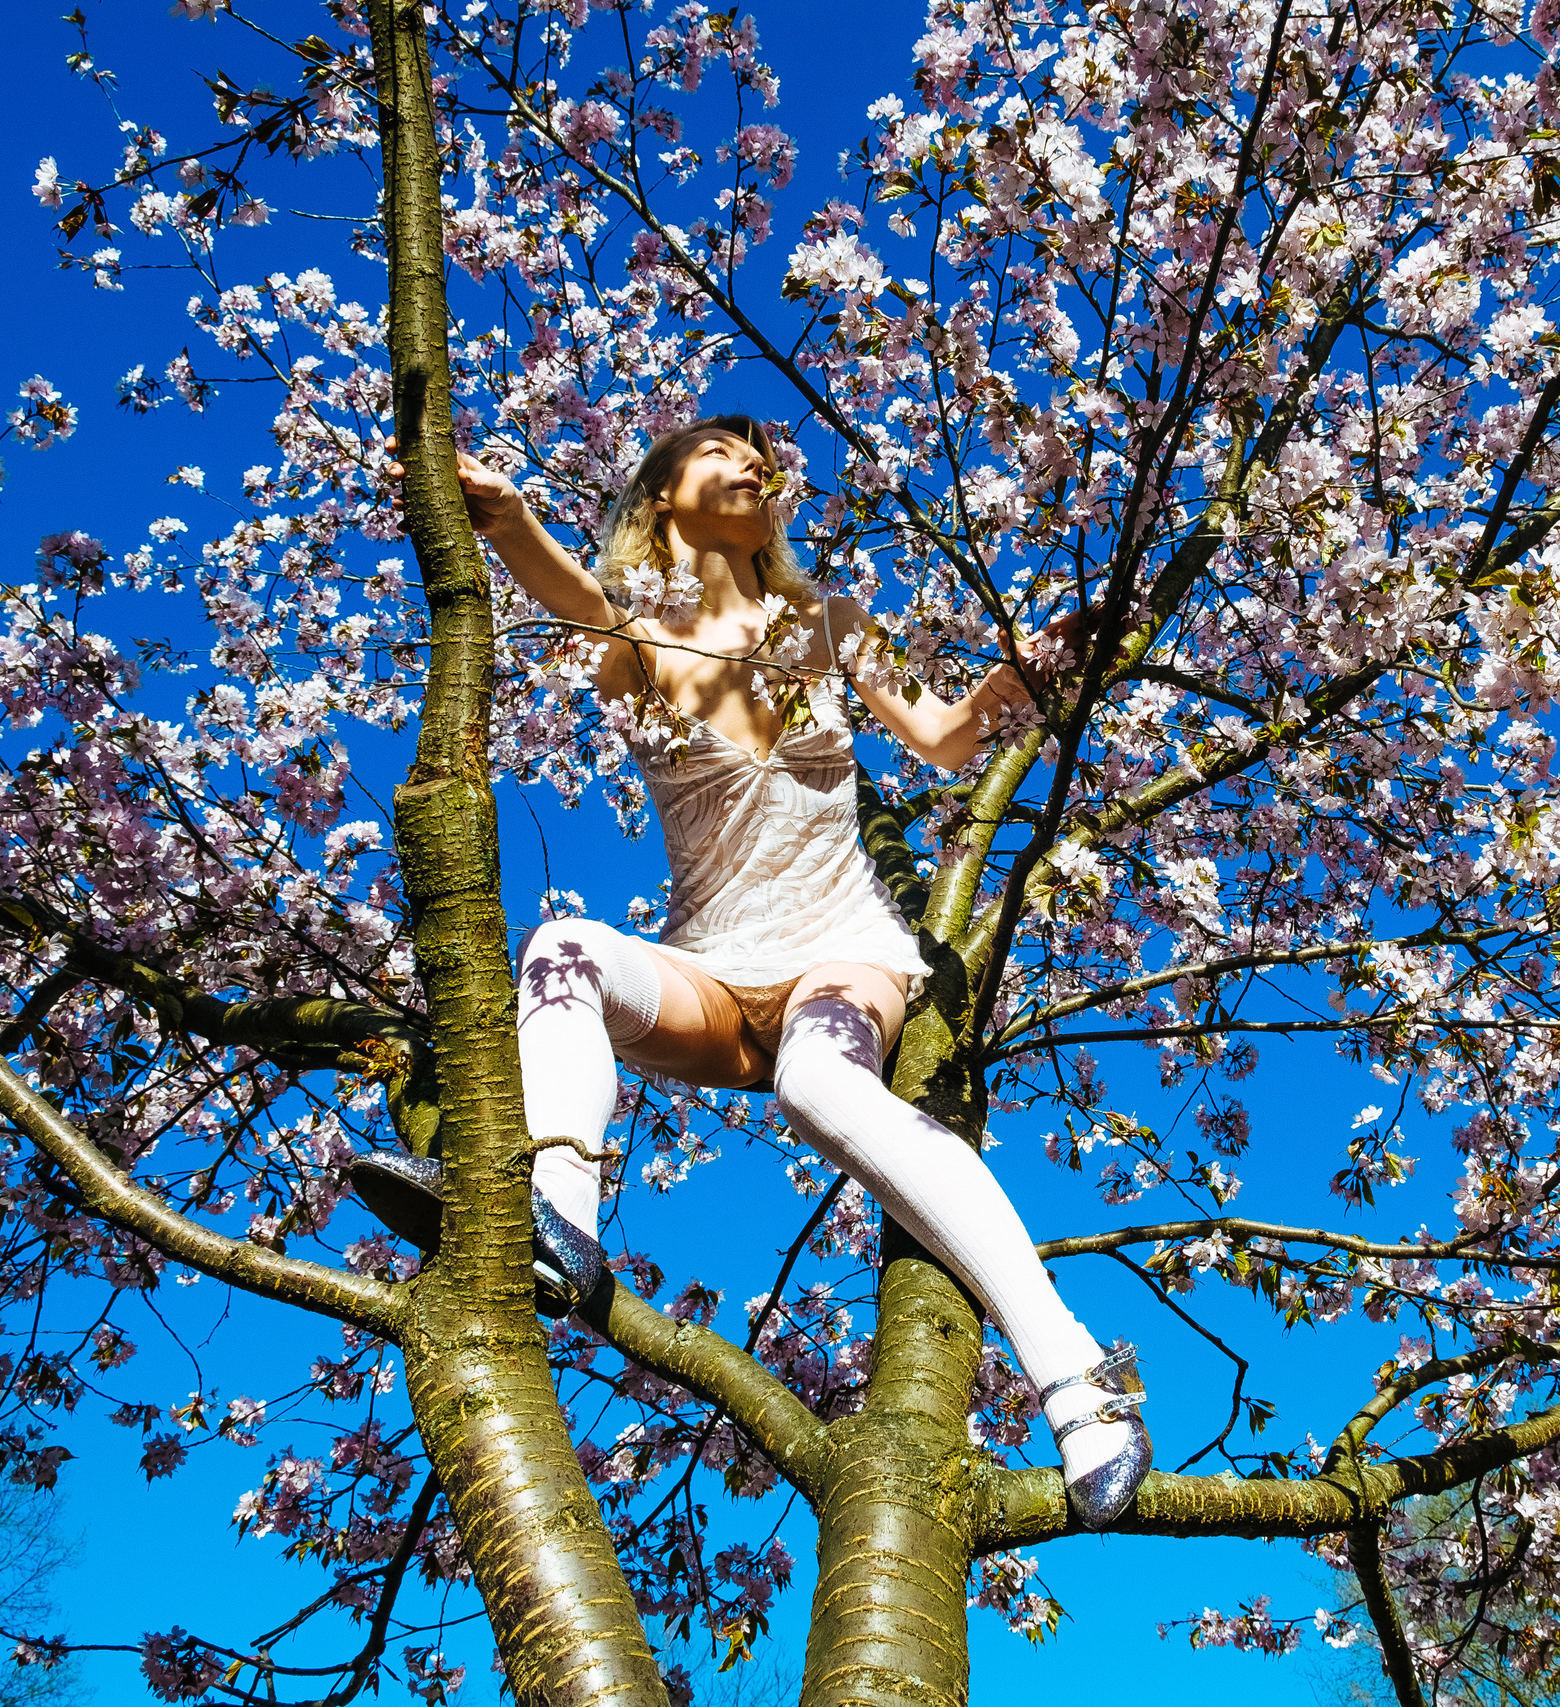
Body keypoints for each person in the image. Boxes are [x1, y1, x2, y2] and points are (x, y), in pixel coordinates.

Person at [346, 414, 1149, 1528]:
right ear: (662, 496)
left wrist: (1048, 660)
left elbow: (950, 740)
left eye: (761, 455)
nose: (749, 462)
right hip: (711, 975)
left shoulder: (832, 622)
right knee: (559, 950)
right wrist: (503, 513)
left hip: (842, 955)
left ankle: (1076, 1378)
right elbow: (569, 593)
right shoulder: (628, 636)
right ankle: (558, 1221)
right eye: (717, 451)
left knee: (819, 1085)